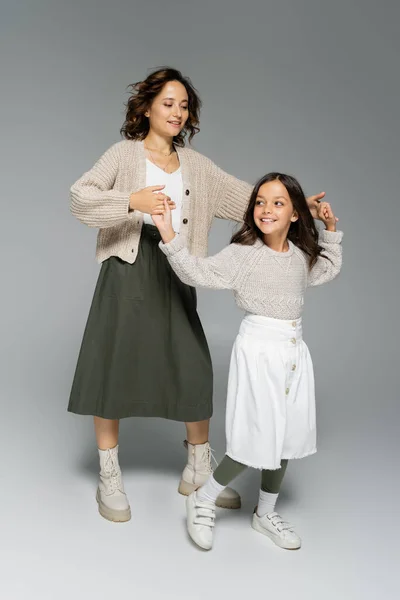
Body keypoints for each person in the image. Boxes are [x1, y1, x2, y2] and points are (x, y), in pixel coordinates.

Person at [68, 66, 326, 523]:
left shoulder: (197, 167)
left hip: (178, 268)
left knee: (192, 365)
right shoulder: (123, 154)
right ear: (146, 107)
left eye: (184, 105)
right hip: (127, 269)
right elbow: (80, 198)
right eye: (168, 103)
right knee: (112, 364)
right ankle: (109, 474)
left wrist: (301, 206)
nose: (177, 112)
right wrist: (132, 201)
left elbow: (251, 200)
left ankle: (198, 466)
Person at [153, 172, 343, 550]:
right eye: (260, 201)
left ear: (294, 214)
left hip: (293, 351)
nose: (266, 209)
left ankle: (265, 513)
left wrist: (331, 232)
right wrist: (167, 233)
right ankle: (203, 499)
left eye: (278, 202)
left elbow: (327, 269)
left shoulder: (301, 255)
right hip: (258, 350)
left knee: (286, 437)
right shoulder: (243, 254)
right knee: (255, 437)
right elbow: (197, 272)